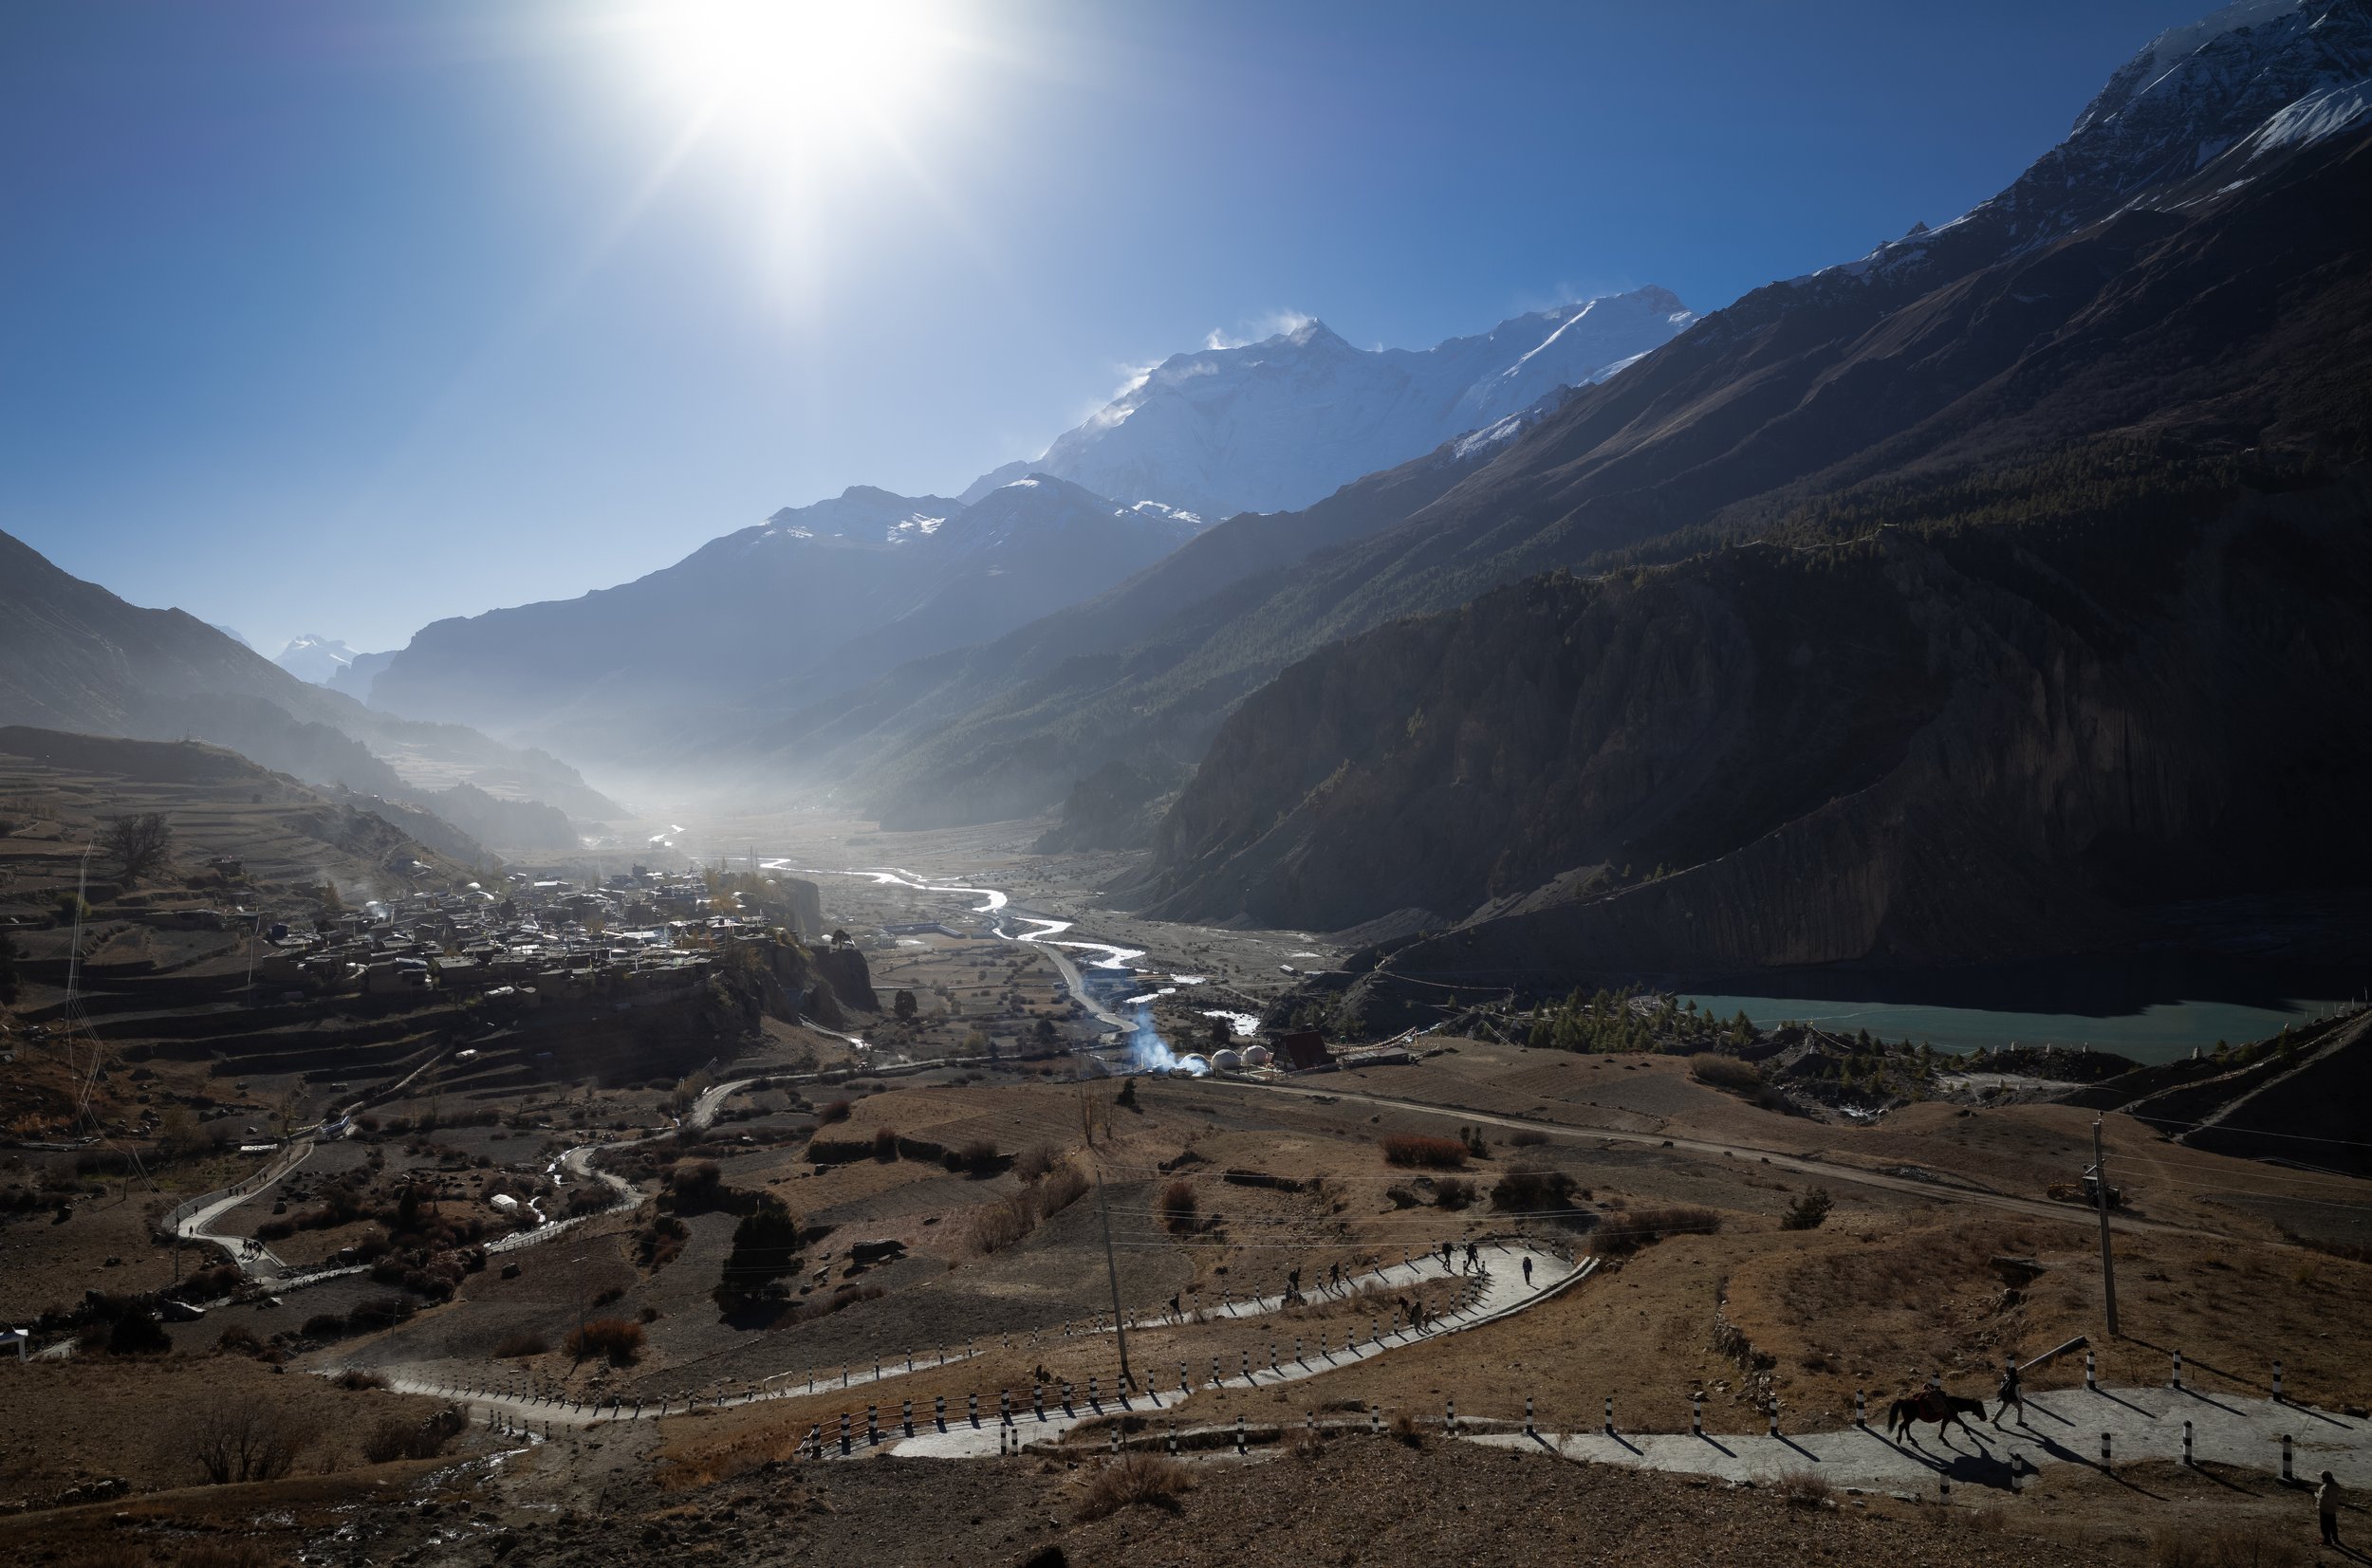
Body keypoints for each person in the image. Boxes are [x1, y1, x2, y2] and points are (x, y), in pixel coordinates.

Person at [1992, 1358, 2025, 1427]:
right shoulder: (2016, 1381)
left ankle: (1994, 1420)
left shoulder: (2006, 1378)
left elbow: (2002, 1386)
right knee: (2020, 1409)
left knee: (2002, 1409)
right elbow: (2017, 1392)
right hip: (2013, 1399)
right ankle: (2019, 1421)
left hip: (2006, 1397)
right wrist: (2020, 1399)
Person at [2320, 1470, 2344, 1548]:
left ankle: (2327, 1540)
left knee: (2324, 1525)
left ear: (2324, 1478)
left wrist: (2318, 1497)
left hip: (2325, 1509)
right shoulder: (2336, 1486)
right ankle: (2335, 1539)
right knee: (2333, 1524)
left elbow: (2323, 1499)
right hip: (2333, 1508)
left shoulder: (2325, 1488)